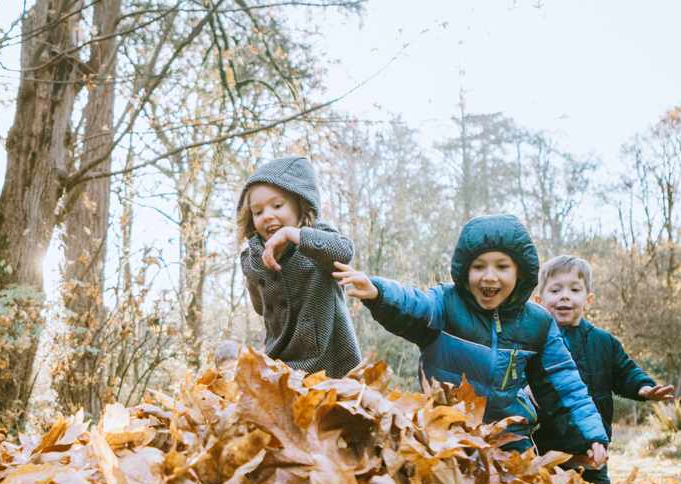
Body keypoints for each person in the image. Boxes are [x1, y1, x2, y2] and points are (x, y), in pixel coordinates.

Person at [332, 213, 607, 465]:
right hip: (447, 431)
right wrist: (378, 292)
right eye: (479, 267)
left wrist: (589, 435)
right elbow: (414, 303)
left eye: (502, 267)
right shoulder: (445, 304)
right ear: (465, 272)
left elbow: (564, 384)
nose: (489, 276)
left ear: (519, 273)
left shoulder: (539, 323)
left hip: (509, 437)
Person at [531, 255, 677, 484]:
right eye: (556, 290)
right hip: (547, 448)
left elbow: (625, 371)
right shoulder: (533, 342)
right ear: (539, 300)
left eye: (574, 289)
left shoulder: (603, 342)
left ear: (588, 299)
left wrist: (644, 387)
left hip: (592, 449)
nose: (565, 296)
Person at [237, 156, 362, 378]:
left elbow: (345, 251)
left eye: (277, 205)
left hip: (331, 365)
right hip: (282, 365)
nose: (267, 216)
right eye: (258, 212)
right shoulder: (253, 258)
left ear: (300, 203)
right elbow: (261, 307)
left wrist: (293, 235)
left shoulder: (317, 240)